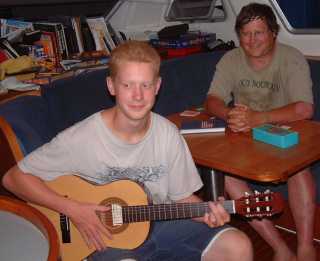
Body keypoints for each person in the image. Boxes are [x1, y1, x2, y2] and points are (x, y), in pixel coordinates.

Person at [2, 40, 252, 261]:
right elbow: (13, 178)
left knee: (237, 246)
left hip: (160, 223)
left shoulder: (168, 135)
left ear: (157, 86)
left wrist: (209, 213)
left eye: (145, 85)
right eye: (127, 85)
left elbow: (182, 198)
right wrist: (73, 210)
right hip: (102, 236)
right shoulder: (82, 137)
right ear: (111, 86)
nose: (137, 96)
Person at [205, 3, 316, 261]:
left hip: (287, 134)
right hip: (246, 138)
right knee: (227, 176)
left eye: (259, 33)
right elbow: (212, 100)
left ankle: (306, 247)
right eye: (245, 33)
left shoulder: (292, 58)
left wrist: (258, 118)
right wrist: (228, 114)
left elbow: (304, 109)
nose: (251, 40)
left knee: (299, 168)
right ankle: (279, 248)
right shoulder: (230, 59)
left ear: (273, 33)